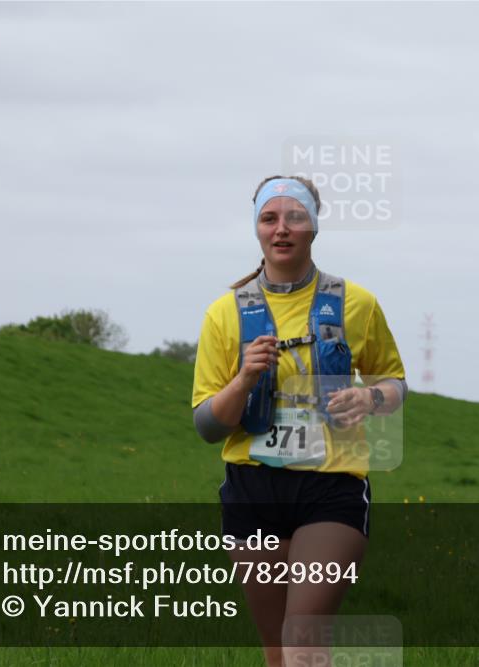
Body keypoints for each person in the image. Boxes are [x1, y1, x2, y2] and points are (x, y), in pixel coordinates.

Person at [191, 175, 407, 667]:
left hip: (331, 488)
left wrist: (370, 397)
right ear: (257, 230)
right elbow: (207, 425)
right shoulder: (224, 315)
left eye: (295, 217)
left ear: (314, 228)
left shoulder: (356, 303)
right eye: (270, 218)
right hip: (252, 490)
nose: (282, 229)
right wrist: (244, 379)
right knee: (277, 653)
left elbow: (396, 384)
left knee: (303, 641)